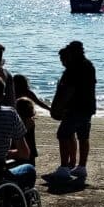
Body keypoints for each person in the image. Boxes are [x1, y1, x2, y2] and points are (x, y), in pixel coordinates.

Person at [48, 40, 97, 181]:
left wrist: (58, 108)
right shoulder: (89, 66)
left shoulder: (73, 69)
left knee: (63, 135)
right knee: (83, 136)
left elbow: (69, 90)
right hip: (88, 107)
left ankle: (64, 168)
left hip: (75, 108)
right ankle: (82, 167)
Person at [15, 98, 38, 165]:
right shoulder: (30, 120)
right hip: (30, 149)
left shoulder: (26, 121)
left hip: (23, 147)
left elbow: (22, 132)